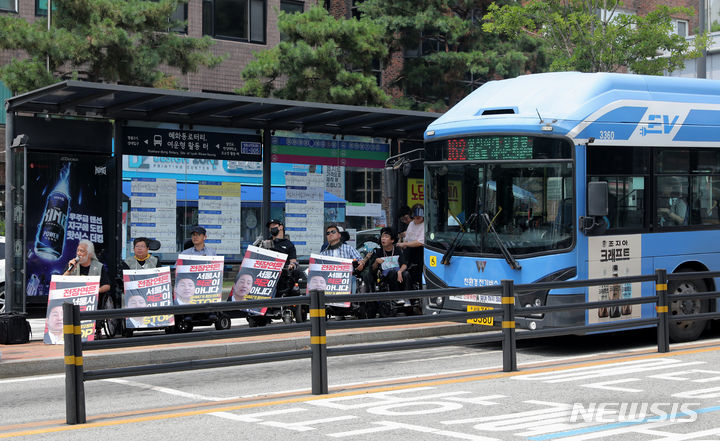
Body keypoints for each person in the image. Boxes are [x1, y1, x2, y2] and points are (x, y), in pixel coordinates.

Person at [370, 227, 411, 292]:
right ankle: (395, 297)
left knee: (406, 274)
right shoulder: (378, 251)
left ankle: (407, 297)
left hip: (397, 272)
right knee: (392, 272)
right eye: (382, 237)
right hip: (385, 276)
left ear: (392, 240)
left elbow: (404, 264)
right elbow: (373, 269)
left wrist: (400, 271)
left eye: (386, 237)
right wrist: (376, 262)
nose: (383, 239)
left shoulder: (397, 250)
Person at [397, 204, 425, 286]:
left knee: (418, 272)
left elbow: (420, 242)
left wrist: (405, 244)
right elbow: (408, 237)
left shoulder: (425, 225)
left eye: (419, 218)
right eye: (415, 218)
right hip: (409, 252)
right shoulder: (411, 224)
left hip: (420, 252)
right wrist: (404, 244)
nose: (416, 220)